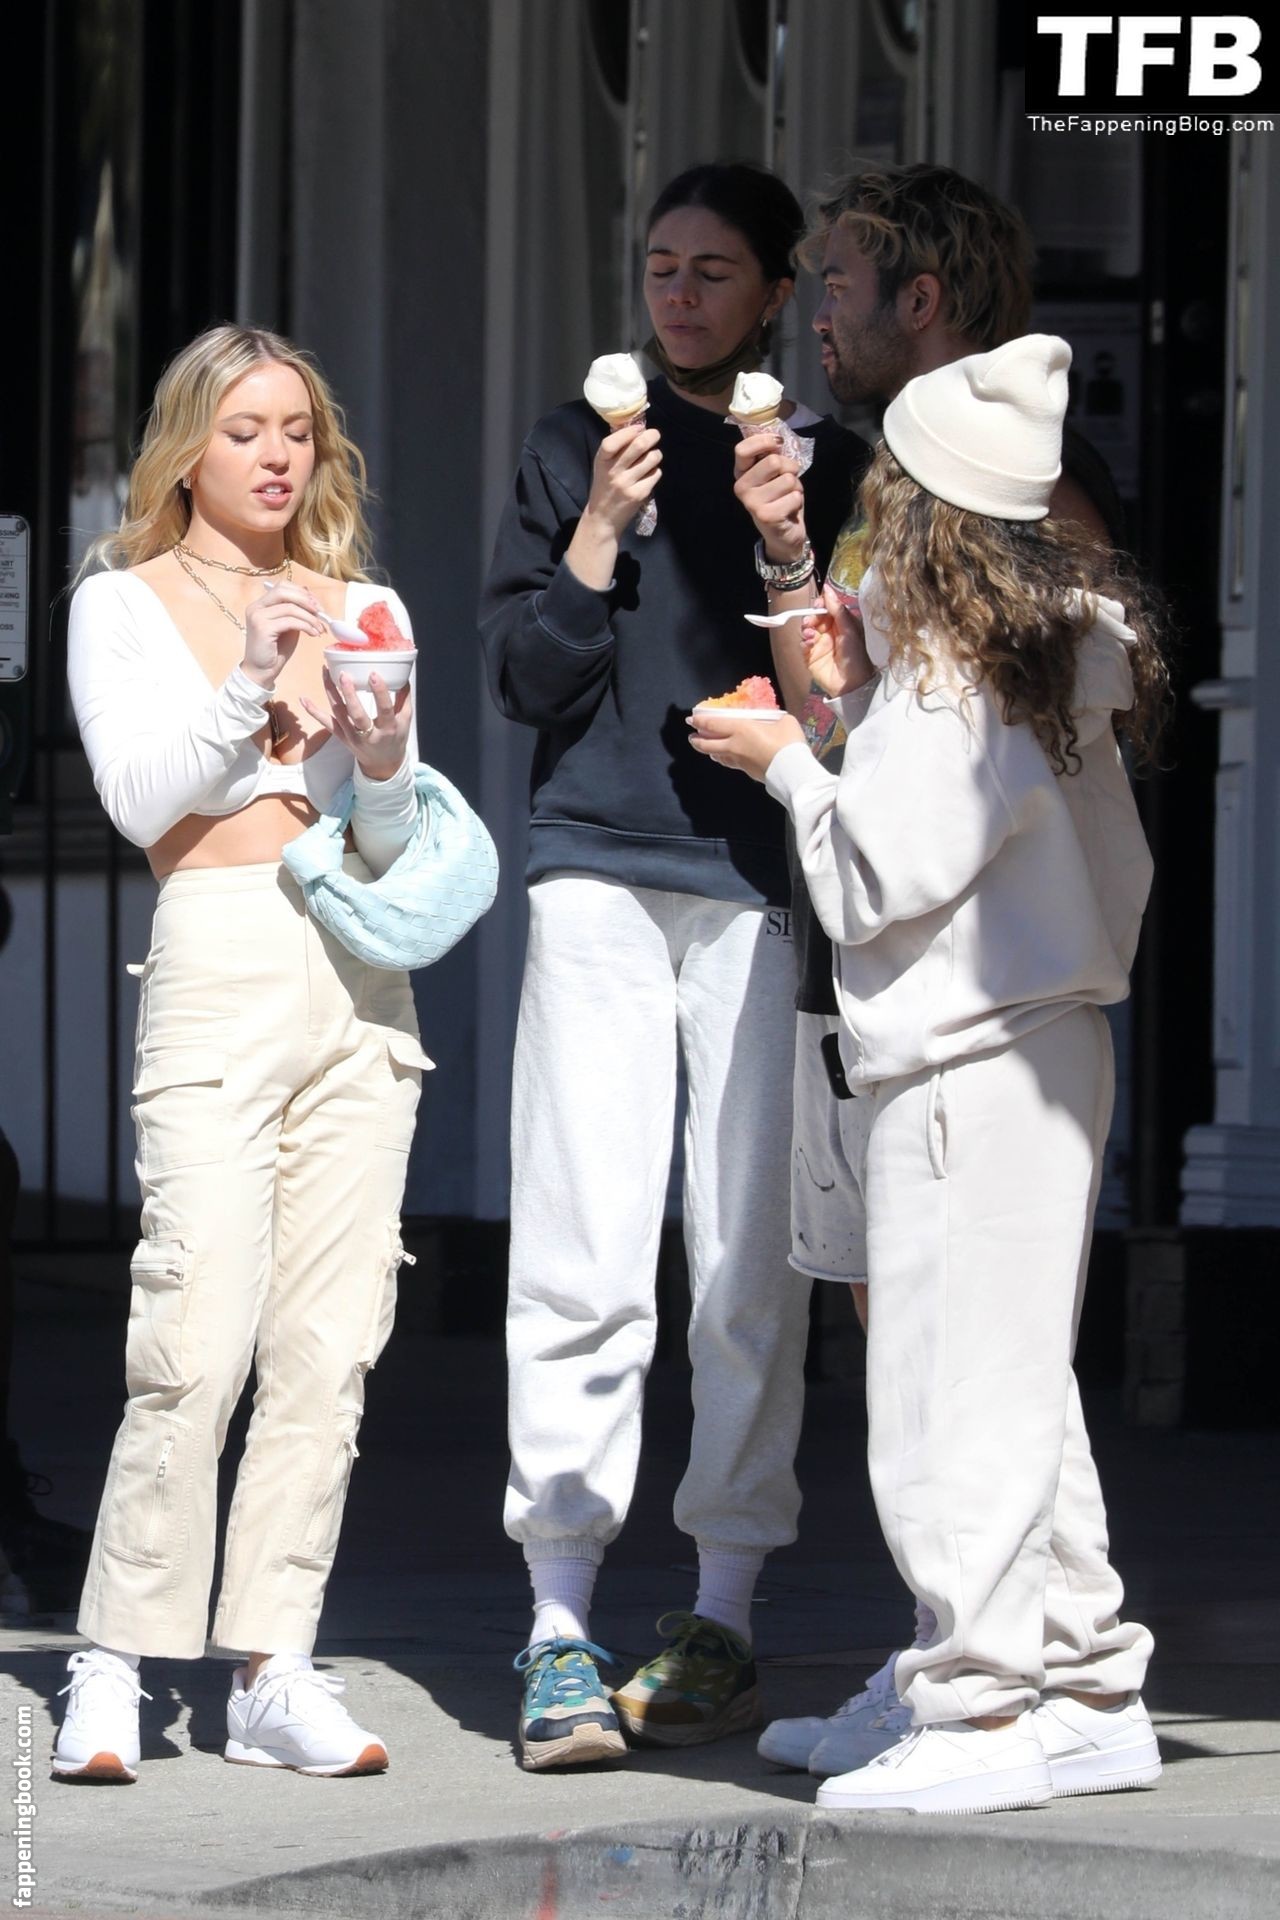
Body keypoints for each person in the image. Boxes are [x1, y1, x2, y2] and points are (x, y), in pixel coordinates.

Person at [691, 331, 1166, 1814]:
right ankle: (1084, 1683)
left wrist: (782, 757)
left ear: (922, 500)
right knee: (1017, 1387)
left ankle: (979, 1706)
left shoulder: (954, 675)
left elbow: (878, 879)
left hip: (965, 1055)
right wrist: (859, 698)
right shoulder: (1046, 647)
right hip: (1042, 1040)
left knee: (947, 1396)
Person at [480, 162, 866, 1770]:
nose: (680, 293)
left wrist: (783, 546)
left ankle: (721, 1610)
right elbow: (522, 677)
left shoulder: (830, 464)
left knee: (742, 1256)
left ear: (776, 292)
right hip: (594, 867)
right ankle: (558, 1620)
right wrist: (596, 530)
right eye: (659, 265)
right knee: (580, 1238)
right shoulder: (573, 444)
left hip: (756, 877)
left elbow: (843, 706)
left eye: (715, 269)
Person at [54, 324, 432, 1783]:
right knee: (194, 1332)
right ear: (186, 450)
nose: (277, 456)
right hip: (217, 952)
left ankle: (274, 1665)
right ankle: (115, 1658)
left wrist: (381, 759)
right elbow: (142, 801)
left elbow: (389, 831)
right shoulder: (121, 599)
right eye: (243, 430)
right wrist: (252, 685)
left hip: (357, 969)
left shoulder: (368, 602)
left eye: (296, 430)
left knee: (330, 1346)